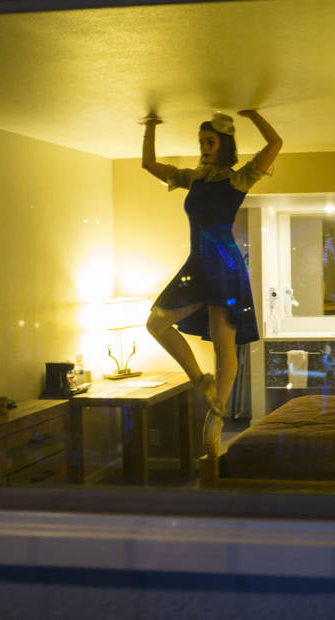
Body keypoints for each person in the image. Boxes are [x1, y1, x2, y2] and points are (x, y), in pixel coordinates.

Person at [140, 109, 282, 452]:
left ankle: (216, 414)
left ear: (224, 145)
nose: (204, 147)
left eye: (210, 142)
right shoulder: (195, 179)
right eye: (201, 142)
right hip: (197, 261)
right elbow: (148, 165)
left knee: (223, 341)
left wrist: (253, 114)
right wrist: (150, 128)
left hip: (224, 261)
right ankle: (200, 379)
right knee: (156, 322)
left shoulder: (239, 179)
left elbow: (275, 143)